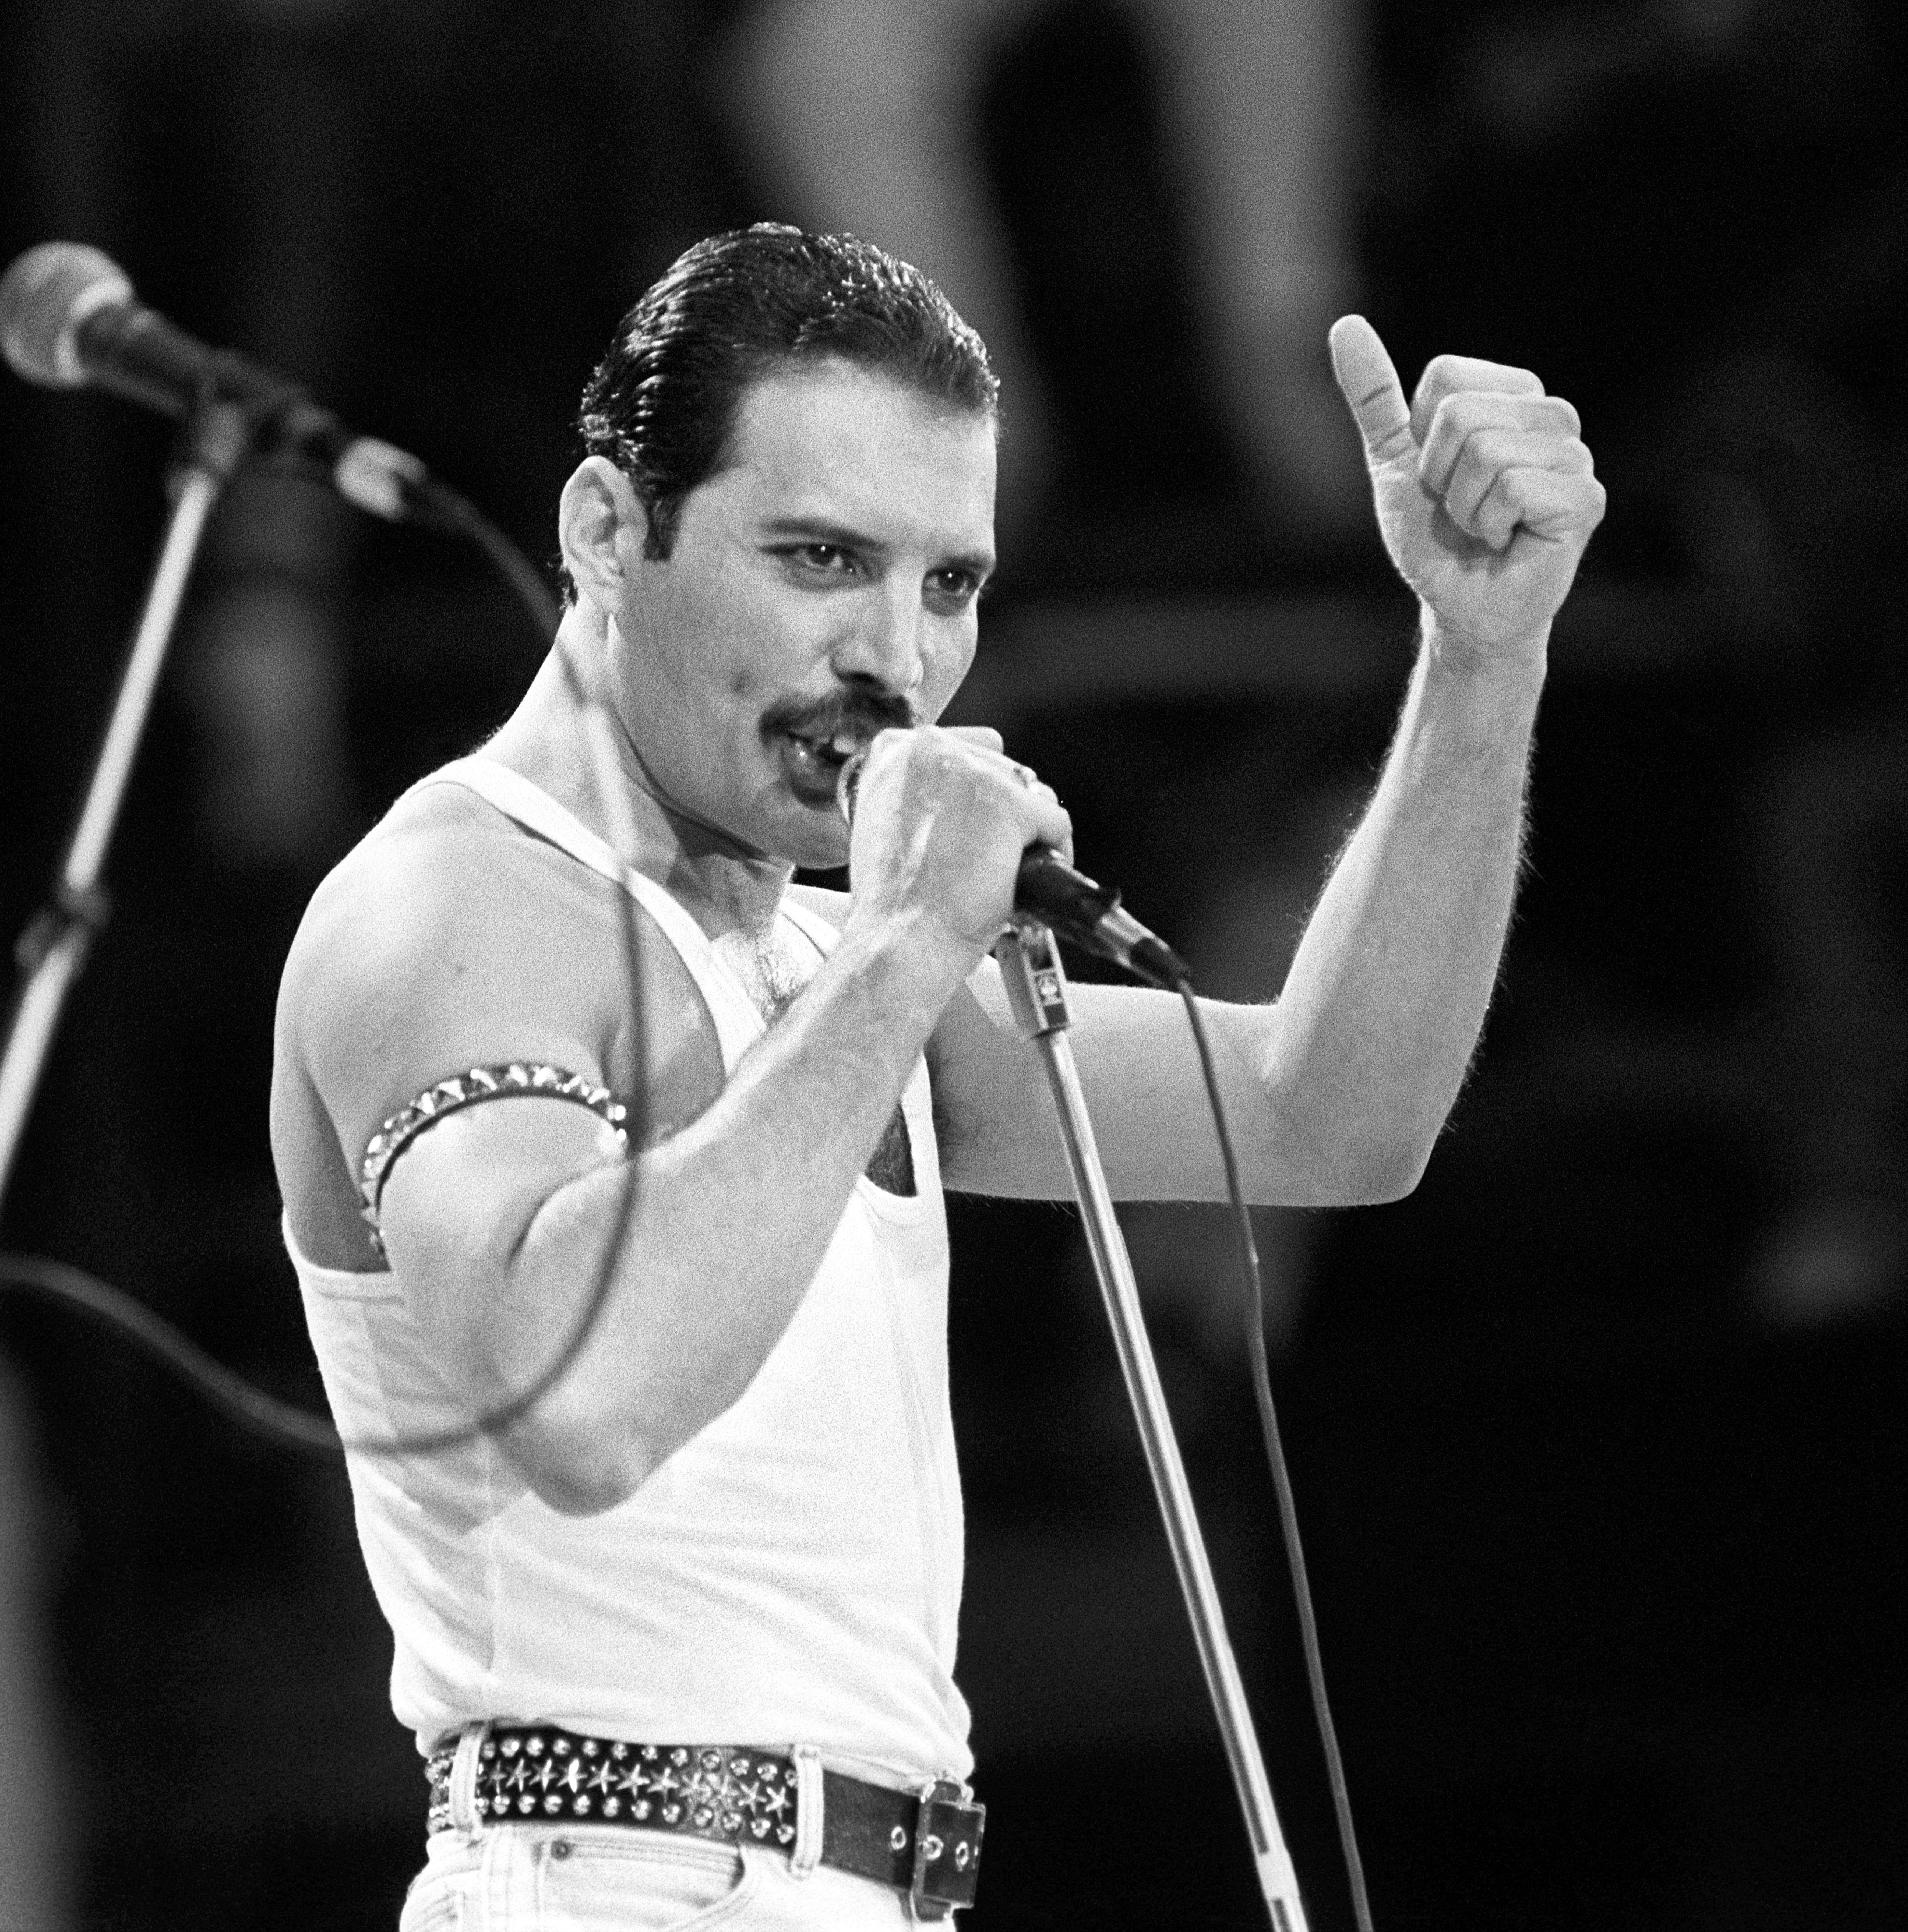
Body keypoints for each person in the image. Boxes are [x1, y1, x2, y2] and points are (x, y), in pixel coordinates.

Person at [270, 225, 1603, 1928]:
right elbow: (579, 1407)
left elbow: (1327, 1115)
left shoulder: (832, 972)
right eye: (822, 559)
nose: (895, 659)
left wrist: (1484, 664)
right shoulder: (456, 901)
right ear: (607, 529)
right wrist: (904, 947)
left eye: (949, 585)